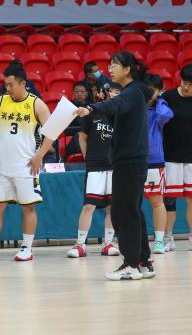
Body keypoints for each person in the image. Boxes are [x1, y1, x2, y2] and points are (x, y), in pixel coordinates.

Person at [75, 51, 154, 281]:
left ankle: (131, 264)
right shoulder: (136, 91)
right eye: (109, 65)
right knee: (133, 210)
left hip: (129, 160)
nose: (110, 69)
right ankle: (143, 262)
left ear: (127, 69)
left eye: (114, 65)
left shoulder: (132, 92)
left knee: (123, 212)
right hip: (132, 159)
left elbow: (117, 104)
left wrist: (92, 108)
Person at [0, 60, 51, 262]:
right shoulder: (0, 101)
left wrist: (39, 156)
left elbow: (52, 133)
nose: (7, 88)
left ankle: (27, 248)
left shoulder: (37, 104)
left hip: (26, 167)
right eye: (6, 85)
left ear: (22, 83)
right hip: (2, 167)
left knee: (28, 207)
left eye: (11, 85)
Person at [65, 83, 122, 258]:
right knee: (89, 205)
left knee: (112, 207)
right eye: (112, 91)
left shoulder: (122, 114)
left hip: (115, 165)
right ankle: (80, 244)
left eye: (118, 92)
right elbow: (82, 137)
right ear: (105, 93)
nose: (115, 94)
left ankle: (108, 243)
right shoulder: (93, 111)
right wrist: (87, 157)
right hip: (95, 165)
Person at [161, 63, 192, 252]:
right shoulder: (168, 98)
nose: (187, 87)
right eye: (185, 82)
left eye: (191, 84)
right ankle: (167, 237)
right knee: (170, 199)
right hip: (170, 156)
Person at [143, 74, 174, 255]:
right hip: (134, 161)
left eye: (152, 90)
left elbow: (165, 115)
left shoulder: (161, 110)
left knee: (157, 203)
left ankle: (159, 241)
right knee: (131, 203)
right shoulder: (135, 108)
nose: (149, 94)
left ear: (160, 91)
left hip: (154, 162)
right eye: (146, 90)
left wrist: (160, 98)